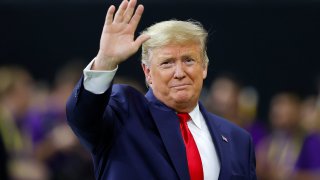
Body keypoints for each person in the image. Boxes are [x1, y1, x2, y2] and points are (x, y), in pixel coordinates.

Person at [66, 0, 257, 179]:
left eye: (188, 60)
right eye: (167, 63)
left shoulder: (238, 140)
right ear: (147, 72)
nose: (180, 72)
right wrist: (105, 61)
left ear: (204, 67)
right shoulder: (123, 113)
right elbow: (83, 117)